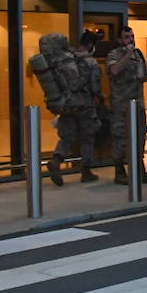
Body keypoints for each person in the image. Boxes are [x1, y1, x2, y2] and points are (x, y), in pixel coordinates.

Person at [48, 30, 103, 185]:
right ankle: (86, 171)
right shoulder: (91, 62)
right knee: (88, 137)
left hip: (67, 104)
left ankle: (56, 160)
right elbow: (95, 87)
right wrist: (100, 98)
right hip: (85, 105)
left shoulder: (67, 58)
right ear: (91, 45)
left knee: (67, 137)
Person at [106, 25, 147, 185]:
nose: (131, 40)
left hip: (138, 104)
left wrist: (145, 74)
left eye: (132, 36)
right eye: (127, 37)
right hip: (121, 105)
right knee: (121, 138)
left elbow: (145, 73)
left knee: (140, 137)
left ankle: (140, 170)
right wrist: (128, 54)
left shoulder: (138, 54)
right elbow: (114, 71)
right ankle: (120, 171)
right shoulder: (114, 54)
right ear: (119, 39)